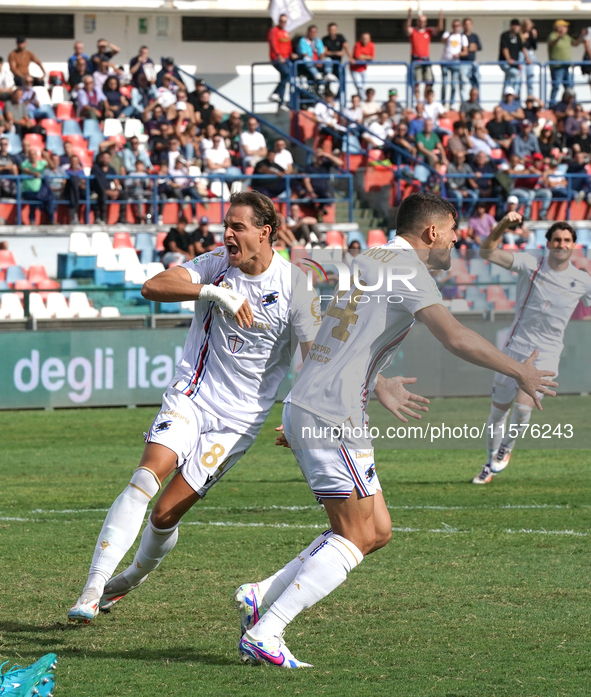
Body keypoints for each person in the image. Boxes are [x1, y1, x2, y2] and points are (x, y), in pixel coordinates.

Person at [237, 192, 556, 667]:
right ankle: (267, 630)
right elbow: (455, 336)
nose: (455, 241)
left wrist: (377, 382)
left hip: (319, 404)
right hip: (332, 412)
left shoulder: (372, 255)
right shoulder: (410, 269)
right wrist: (519, 372)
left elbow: (342, 330)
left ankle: (262, 595)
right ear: (431, 232)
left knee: (378, 530)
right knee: (355, 535)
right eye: (452, 232)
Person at [67, 190, 322, 625]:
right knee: (146, 476)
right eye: (226, 224)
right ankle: (92, 588)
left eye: (237, 227)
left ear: (265, 232)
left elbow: (316, 356)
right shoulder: (216, 263)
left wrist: (302, 412)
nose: (227, 234)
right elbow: (152, 287)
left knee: (166, 513)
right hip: (192, 395)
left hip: (238, 423)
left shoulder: (296, 286)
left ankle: (127, 581)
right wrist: (212, 293)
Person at [473, 218, 591, 484]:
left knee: (523, 408)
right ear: (548, 244)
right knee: (497, 412)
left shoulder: (581, 280)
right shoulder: (530, 264)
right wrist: (503, 224)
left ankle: (506, 448)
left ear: (574, 245)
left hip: (546, 354)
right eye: (557, 240)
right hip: (513, 348)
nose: (562, 244)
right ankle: (490, 463)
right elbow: (486, 252)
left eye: (567, 240)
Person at [405, 9, 444, 100]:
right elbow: (407, 28)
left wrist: (440, 16)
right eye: (420, 21)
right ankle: (418, 102)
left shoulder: (428, 31)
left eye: (424, 21)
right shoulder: (413, 31)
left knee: (429, 82)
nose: (422, 23)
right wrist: (409, 16)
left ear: (426, 23)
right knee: (416, 83)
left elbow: (440, 28)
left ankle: (426, 101)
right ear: (417, 22)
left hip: (426, 60)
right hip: (416, 60)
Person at [547, 21, 584, 107]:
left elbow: (575, 44)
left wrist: (582, 36)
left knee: (569, 86)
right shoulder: (552, 35)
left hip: (566, 66)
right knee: (556, 86)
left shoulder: (567, 37)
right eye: (564, 26)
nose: (566, 28)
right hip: (557, 67)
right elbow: (551, 43)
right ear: (558, 27)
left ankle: (571, 104)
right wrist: (559, 37)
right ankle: (551, 104)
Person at [20, 149, 55, 224]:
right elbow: (26, 170)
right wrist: (34, 173)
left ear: (36, 155)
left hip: (39, 191)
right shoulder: (24, 163)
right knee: (35, 201)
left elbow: (52, 166)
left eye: (34, 154)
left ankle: (50, 219)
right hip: (27, 191)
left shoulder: (41, 163)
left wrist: (47, 157)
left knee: (50, 198)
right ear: (28, 156)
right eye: (31, 154)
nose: (32, 156)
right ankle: (32, 220)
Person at [90, 151, 126, 224]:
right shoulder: (96, 168)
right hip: (98, 191)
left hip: (110, 191)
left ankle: (121, 218)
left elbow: (116, 180)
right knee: (102, 196)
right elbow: (98, 184)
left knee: (124, 195)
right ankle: (103, 218)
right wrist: (106, 191)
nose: (105, 159)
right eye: (103, 157)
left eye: (107, 158)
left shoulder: (111, 169)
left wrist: (116, 190)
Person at [439, 19, 468, 109]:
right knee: (444, 83)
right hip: (445, 61)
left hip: (455, 62)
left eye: (457, 26)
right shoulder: (447, 34)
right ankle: (443, 103)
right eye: (454, 26)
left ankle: (451, 103)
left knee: (454, 84)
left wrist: (458, 54)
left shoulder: (463, 37)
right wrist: (449, 36)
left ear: (460, 27)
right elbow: (442, 41)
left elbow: (465, 51)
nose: (456, 27)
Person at [268, 14, 293, 110]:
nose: (283, 23)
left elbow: (288, 45)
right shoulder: (273, 31)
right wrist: (278, 55)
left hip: (286, 59)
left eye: (285, 21)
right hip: (277, 58)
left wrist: (291, 54)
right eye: (281, 21)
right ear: (278, 21)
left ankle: (281, 102)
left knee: (285, 78)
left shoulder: (286, 32)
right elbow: (273, 43)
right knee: (287, 74)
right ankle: (275, 93)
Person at [499, 20, 529, 96]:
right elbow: (504, 48)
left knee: (508, 80)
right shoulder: (505, 35)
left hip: (514, 64)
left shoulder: (518, 36)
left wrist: (527, 58)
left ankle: (505, 99)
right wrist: (508, 59)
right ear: (511, 26)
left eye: (517, 26)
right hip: (505, 63)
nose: (515, 27)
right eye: (514, 25)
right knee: (517, 75)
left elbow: (522, 48)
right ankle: (514, 96)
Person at [446, 150, 478, 218]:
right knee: (459, 196)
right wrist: (461, 191)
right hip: (453, 190)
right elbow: (451, 183)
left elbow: (472, 177)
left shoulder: (466, 166)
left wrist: (476, 175)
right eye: (457, 157)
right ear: (454, 158)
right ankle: (460, 215)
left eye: (460, 158)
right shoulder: (450, 167)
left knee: (475, 196)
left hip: (464, 189)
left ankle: (466, 215)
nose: (458, 159)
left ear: (464, 158)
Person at [460, 18, 481, 101]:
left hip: (473, 63)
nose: (467, 26)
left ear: (471, 25)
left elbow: (479, 47)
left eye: (469, 24)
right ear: (463, 25)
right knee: (463, 83)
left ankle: (476, 102)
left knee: (476, 82)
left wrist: (473, 47)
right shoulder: (460, 36)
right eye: (466, 24)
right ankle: (465, 102)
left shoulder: (474, 36)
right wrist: (469, 48)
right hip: (462, 63)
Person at [63, 154, 87, 224]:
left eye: (76, 161)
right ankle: (74, 217)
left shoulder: (81, 172)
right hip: (70, 192)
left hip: (80, 192)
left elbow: (84, 182)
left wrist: (82, 184)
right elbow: (64, 183)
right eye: (72, 161)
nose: (74, 163)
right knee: (73, 182)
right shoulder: (66, 172)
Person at [520, 19, 538, 98]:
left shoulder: (531, 33)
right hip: (521, 54)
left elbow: (534, 47)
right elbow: (520, 46)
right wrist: (523, 38)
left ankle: (530, 97)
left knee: (530, 77)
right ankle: (518, 98)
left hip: (529, 53)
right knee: (519, 77)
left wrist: (534, 37)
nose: (529, 27)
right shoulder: (519, 34)